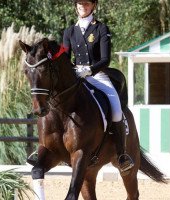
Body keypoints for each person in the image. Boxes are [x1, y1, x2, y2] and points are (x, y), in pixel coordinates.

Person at [63, 0, 134, 173]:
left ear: (93, 6)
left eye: (86, 4)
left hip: (97, 75)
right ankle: (47, 146)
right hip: (75, 76)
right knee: (55, 102)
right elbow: (65, 57)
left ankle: (122, 154)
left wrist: (89, 70)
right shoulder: (69, 31)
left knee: (116, 110)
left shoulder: (101, 29)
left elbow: (105, 60)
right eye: (80, 3)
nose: (82, 6)